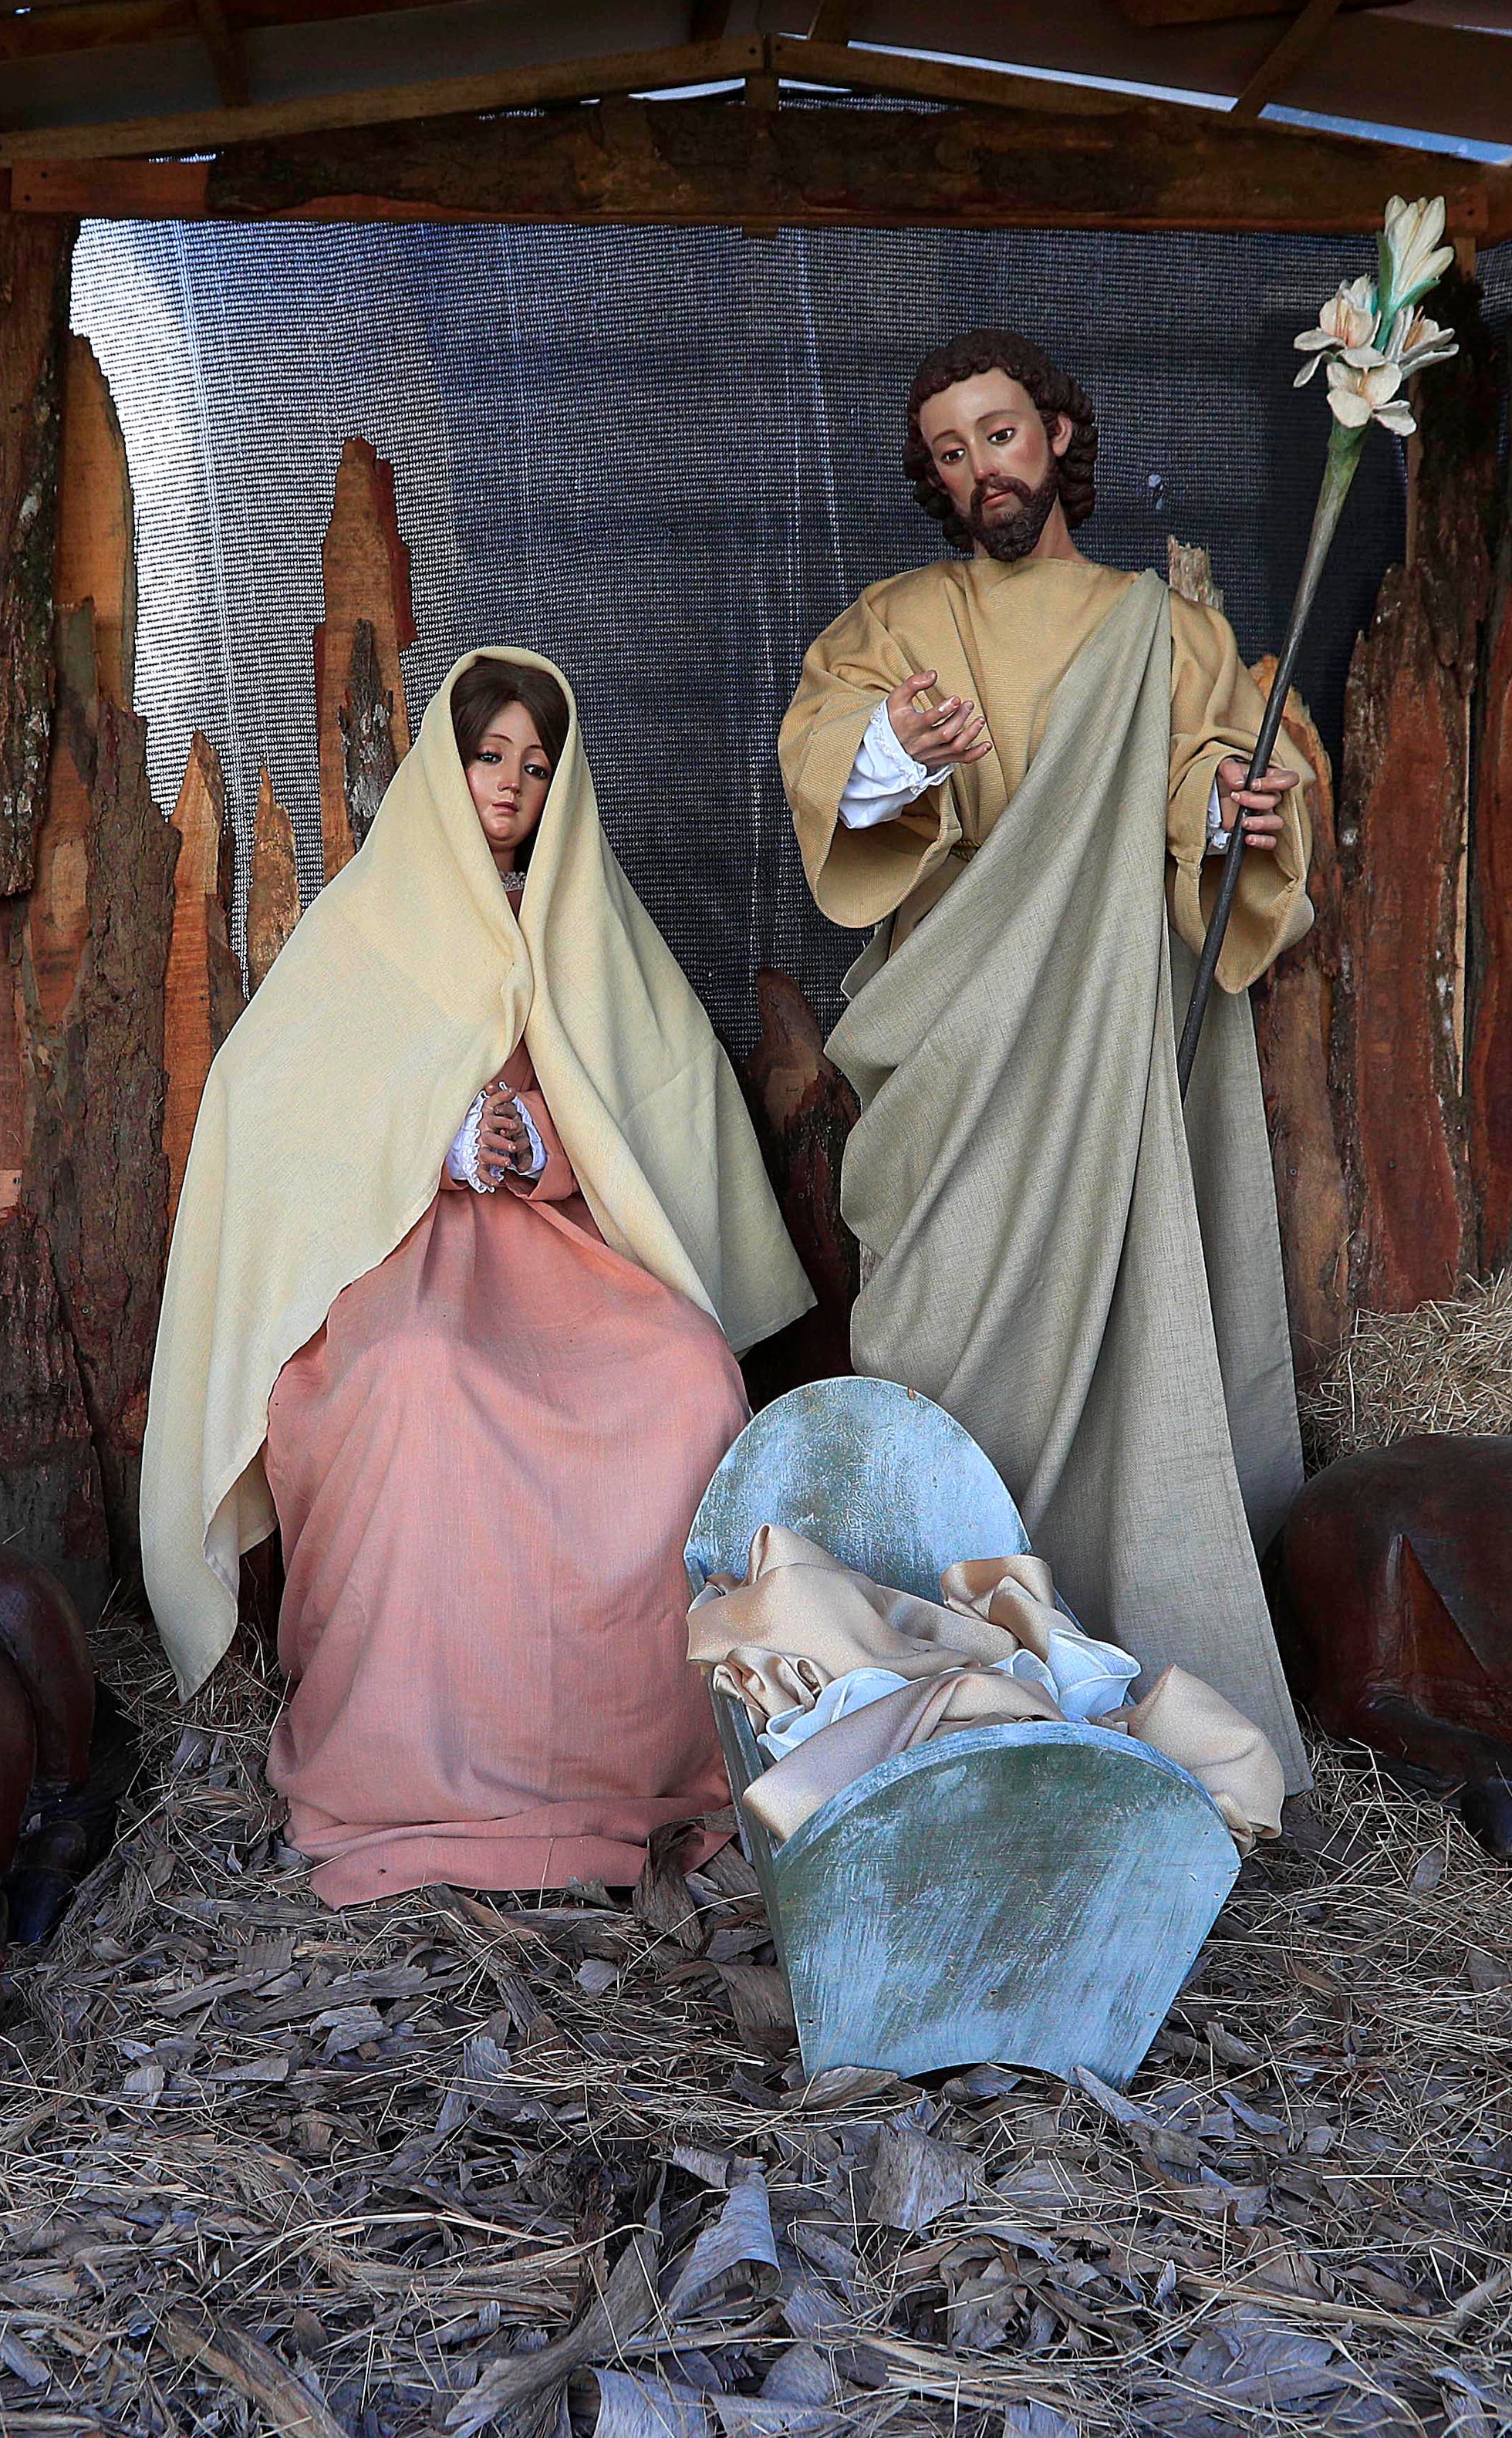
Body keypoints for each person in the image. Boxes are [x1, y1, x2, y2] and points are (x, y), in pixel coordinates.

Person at [143, 647, 813, 1905]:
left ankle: (639, 1755)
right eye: (488, 755)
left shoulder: (587, 918)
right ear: (443, 771)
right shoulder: (371, 917)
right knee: (416, 1380)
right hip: (406, 1255)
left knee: (684, 1380)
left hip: (565, 1252)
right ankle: (411, 1760)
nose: (510, 783)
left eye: (537, 765)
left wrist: (546, 1142)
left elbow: (651, 1097)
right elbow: (275, 1094)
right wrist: (438, 1135)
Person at [772, 329, 1332, 1788]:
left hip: (1109, 1056)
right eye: (952, 451)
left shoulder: (1163, 628)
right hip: (958, 1059)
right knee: (931, 1348)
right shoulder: (902, 621)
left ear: (1061, 436)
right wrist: (898, 746)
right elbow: (825, 752)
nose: (984, 469)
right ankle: (942, 1715)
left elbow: (1216, 766)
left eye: (1002, 433)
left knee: (1132, 1348)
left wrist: (1228, 810)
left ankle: (1124, 1691)